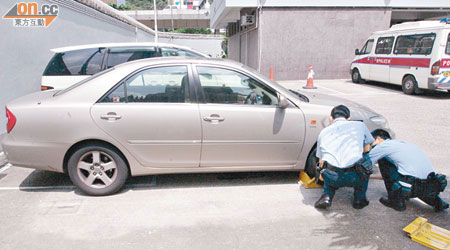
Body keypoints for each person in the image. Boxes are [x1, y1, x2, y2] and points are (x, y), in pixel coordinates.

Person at [367, 130, 448, 212]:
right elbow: (389, 175)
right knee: (419, 183)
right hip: (432, 186)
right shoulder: (405, 144)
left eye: (371, 143)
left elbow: (365, 163)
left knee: (383, 161)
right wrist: (371, 177)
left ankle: (396, 202)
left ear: (378, 139)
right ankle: (439, 203)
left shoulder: (382, 146)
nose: (370, 145)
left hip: (411, 187)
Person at [314, 105, 375, 209]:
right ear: (348, 118)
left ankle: (327, 196)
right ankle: (359, 200)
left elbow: (321, 160)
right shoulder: (360, 125)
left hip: (331, 176)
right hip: (355, 176)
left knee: (328, 163)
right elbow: (367, 149)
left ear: (331, 118)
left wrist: (321, 175)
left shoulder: (323, 132)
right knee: (366, 159)